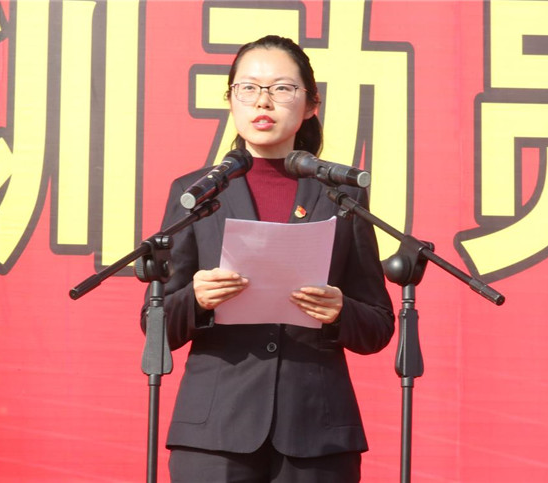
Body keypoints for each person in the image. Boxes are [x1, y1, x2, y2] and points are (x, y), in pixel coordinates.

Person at [142, 35, 394, 482]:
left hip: (316, 433)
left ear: (311, 104)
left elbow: (377, 325)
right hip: (215, 431)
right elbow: (154, 323)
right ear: (230, 100)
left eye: (281, 88)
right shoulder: (196, 193)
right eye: (248, 88)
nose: (263, 101)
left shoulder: (341, 195)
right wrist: (196, 299)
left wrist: (339, 311)